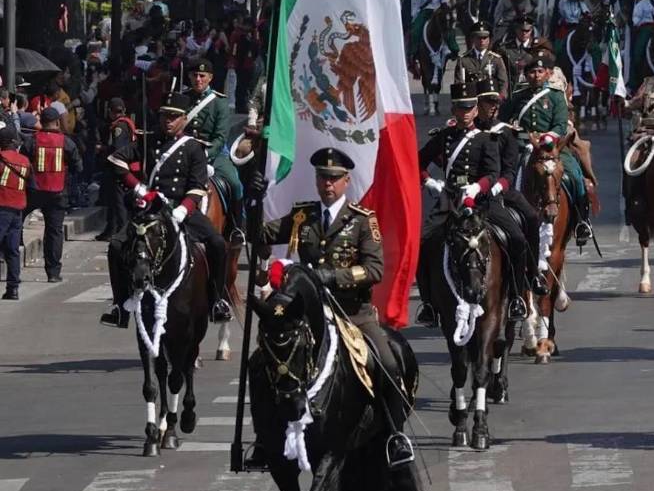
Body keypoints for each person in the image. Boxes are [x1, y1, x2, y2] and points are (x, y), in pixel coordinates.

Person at [249, 147, 413, 469]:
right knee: (262, 361)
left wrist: (331, 276)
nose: (328, 184)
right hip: (310, 315)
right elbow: (260, 234)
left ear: (346, 181)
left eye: (334, 179)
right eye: (323, 177)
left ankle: (395, 435)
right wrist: (252, 201)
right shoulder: (302, 216)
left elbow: (375, 269)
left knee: (389, 365)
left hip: (353, 314)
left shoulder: (362, 220)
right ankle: (264, 439)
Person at [101, 92, 233, 328]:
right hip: (152, 208)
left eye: (173, 117)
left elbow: (197, 186)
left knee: (218, 244)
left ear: (184, 119)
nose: (167, 121)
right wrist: (140, 188)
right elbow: (115, 161)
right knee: (116, 245)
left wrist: (184, 208)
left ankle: (217, 300)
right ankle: (120, 305)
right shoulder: (147, 141)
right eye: (164, 116)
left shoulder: (193, 148)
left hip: (182, 208)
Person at [414, 81, 501, 327]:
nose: (465, 113)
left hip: (481, 201)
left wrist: (478, 186)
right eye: (460, 109)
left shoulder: (486, 139)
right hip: (450, 200)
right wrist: (430, 182)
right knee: (423, 242)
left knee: (514, 237)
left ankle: (516, 294)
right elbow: (418, 161)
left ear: (476, 110)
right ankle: (429, 303)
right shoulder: (444, 138)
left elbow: (494, 172)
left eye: (469, 108)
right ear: (453, 110)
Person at [501, 50, 594, 245]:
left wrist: (549, 137)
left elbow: (561, 124)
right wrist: (514, 131)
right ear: (526, 75)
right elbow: (502, 120)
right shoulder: (517, 96)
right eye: (532, 72)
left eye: (540, 71)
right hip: (523, 147)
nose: (536, 76)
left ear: (548, 74)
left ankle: (582, 222)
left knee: (574, 175)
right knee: (505, 178)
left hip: (552, 149)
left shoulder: (555, 96)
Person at [475, 77, 547, 316]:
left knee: (530, 221)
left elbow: (509, 168)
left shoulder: (505, 132)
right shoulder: (467, 131)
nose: (493, 106)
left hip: (500, 190)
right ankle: (431, 300)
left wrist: (499, 186)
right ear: (478, 103)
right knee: (429, 237)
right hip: (468, 194)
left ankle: (528, 280)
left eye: (496, 101)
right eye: (488, 101)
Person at [182, 58, 242, 240]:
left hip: (213, 154)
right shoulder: (183, 99)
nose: (198, 79)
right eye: (194, 75)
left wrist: (204, 154)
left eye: (202, 76)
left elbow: (220, 136)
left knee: (235, 183)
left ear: (210, 78)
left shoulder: (219, 102)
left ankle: (237, 228)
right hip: (184, 152)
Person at [23, 107, 81, 283]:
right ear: (57, 122)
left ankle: (10, 256)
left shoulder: (32, 140)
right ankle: (53, 272)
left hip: (34, 190)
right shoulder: (67, 142)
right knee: (54, 232)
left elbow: (22, 161)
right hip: (58, 192)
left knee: (17, 219)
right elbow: (78, 167)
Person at [95, 97, 136, 241]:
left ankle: (122, 232)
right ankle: (110, 229)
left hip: (117, 167)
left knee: (119, 201)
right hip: (119, 167)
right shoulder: (125, 123)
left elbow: (118, 149)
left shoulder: (119, 127)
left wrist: (103, 149)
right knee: (112, 201)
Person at [0, 126, 30, 300]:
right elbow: (31, 185)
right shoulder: (25, 161)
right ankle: (13, 289)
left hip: (2, 207)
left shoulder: (2, 159)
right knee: (12, 249)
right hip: (18, 210)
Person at [455, 22, 510, 97]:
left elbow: (503, 82)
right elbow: (459, 83)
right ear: (473, 39)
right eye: (479, 38)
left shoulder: (496, 59)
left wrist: (501, 97)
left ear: (489, 39)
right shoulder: (463, 60)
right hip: (472, 100)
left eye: (484, 38)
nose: (482, 41)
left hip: (491, 100)